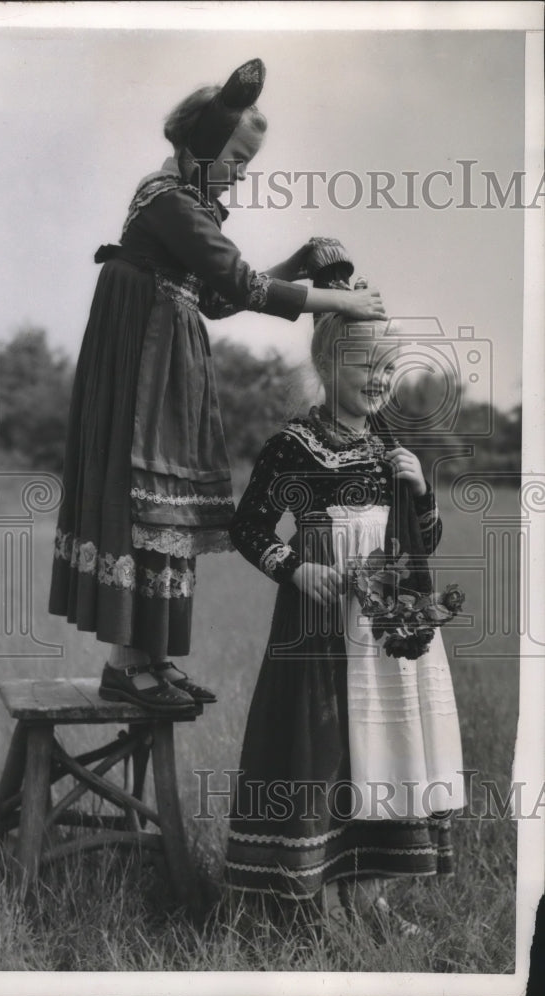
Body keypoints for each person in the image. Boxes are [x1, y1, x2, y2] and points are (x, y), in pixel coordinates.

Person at [48, 59, 386, 713]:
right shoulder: (168, 199)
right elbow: (241, 285)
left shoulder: (189, 207)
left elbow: (223, 299)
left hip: (168, 358)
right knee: (150, 498)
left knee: (168, 502)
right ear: (202, 143)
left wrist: (298, 266)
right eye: (234, 156)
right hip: (145, 362)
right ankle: (127, 665)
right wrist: (337, 302)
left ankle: (151, 659)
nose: (239, 171)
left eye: (246, 162)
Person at [224, 242, 466, 940]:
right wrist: (293, 565)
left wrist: (419, 493)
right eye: (368, 367)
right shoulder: (293, 444)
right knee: (326, 746)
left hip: (385, 628)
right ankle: (315, 895)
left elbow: (424, 540)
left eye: (391, 369)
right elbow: (246, 527)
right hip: (320, 625)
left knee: (383, 749)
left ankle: (370, 894)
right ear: (329, 364)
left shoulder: (390, 446)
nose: (382, 380)